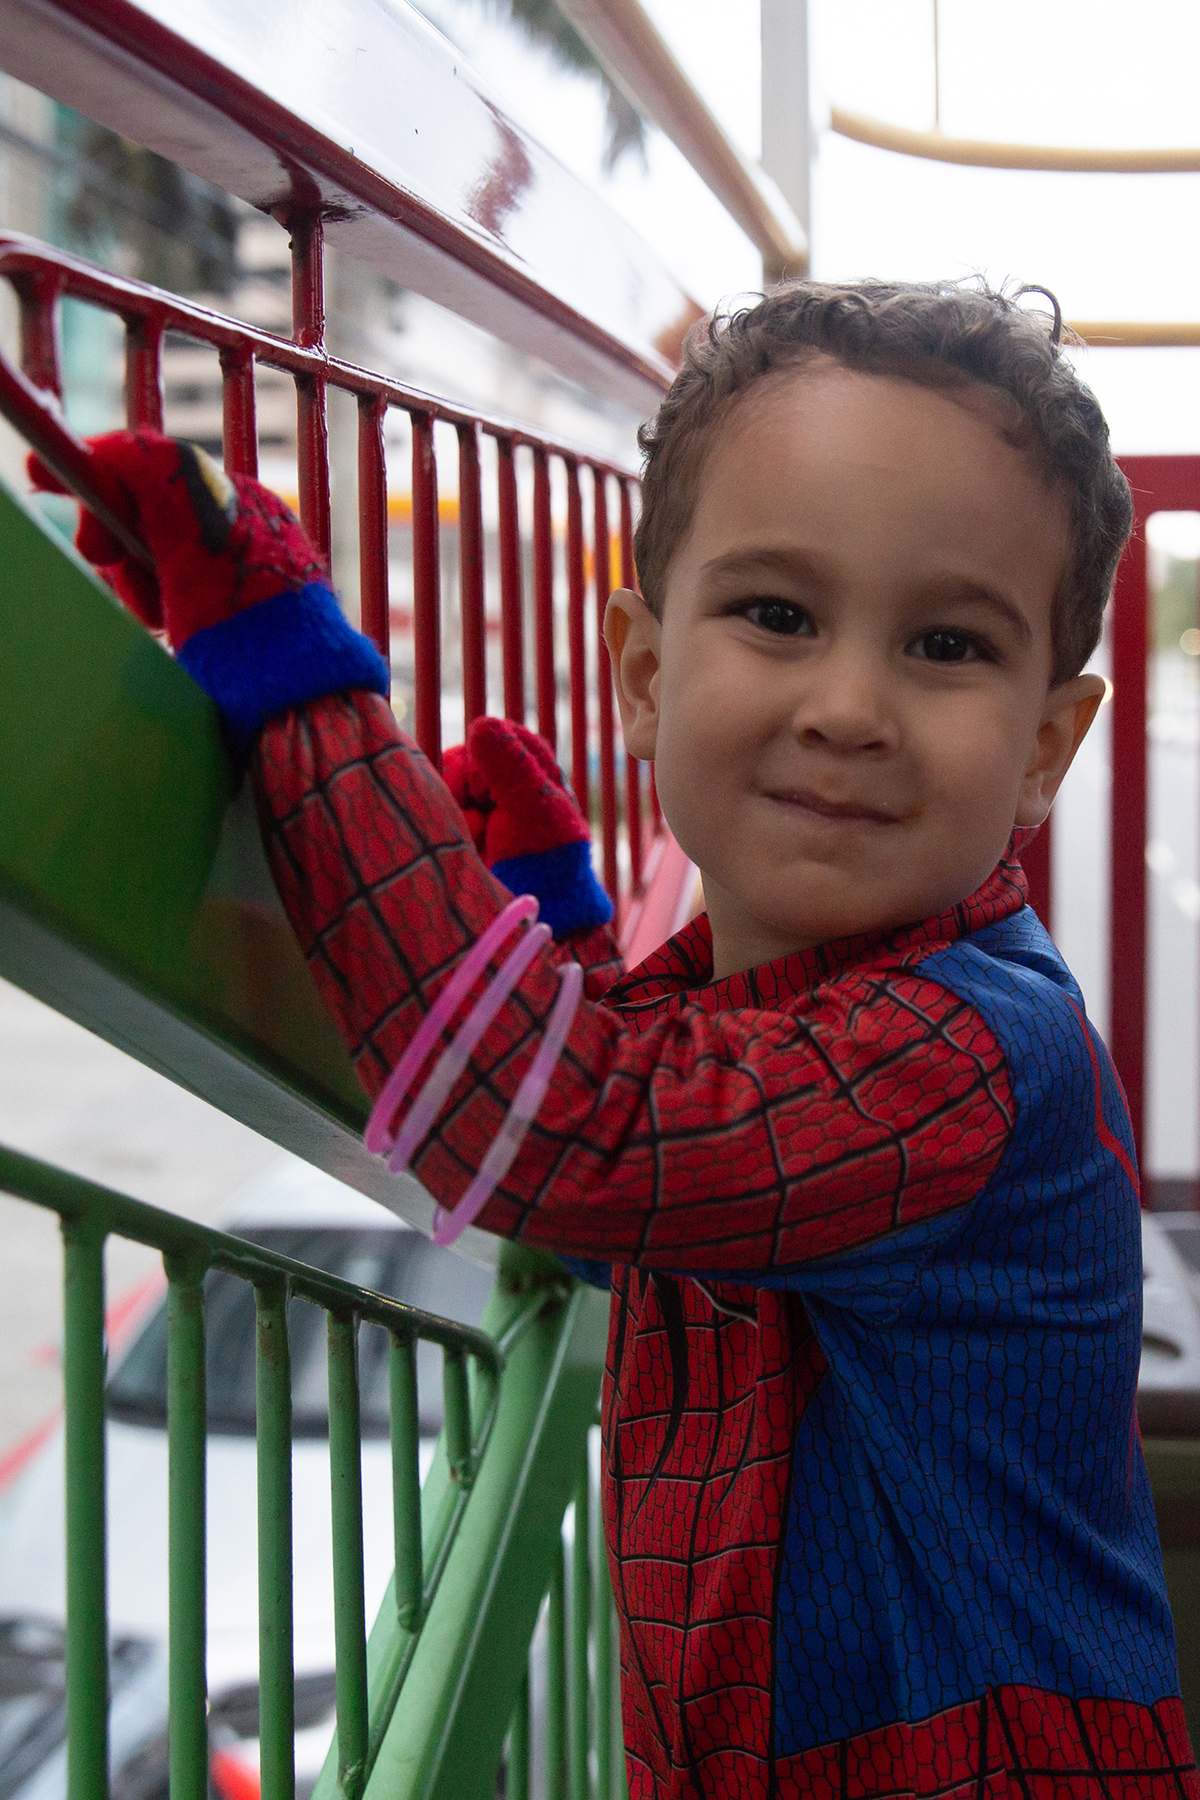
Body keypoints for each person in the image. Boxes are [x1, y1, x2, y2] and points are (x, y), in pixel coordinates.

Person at [35, 279, 1198, 1800]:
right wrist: (565, 938)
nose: (849, 706)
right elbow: (660, 1215)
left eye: (945, 644)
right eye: (778, 616)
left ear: (1044, 745)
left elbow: (575, 1137)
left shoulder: (971, 1053)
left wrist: (294, 672)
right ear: (645, 677)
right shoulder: (772, 1003)